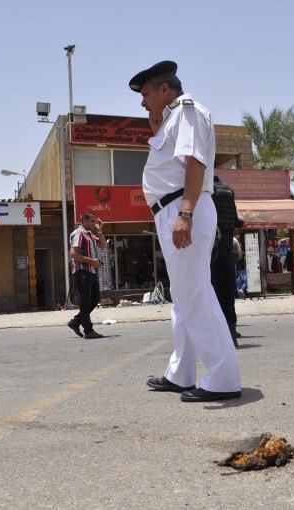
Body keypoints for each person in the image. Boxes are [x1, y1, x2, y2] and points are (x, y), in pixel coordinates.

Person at [129, 60, 241, 402]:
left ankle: (223, 377)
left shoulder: (188, 111)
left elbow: (195, 162)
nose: (143, 102)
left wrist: (186, 212)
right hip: (173, 209)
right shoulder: (171, 119)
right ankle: (181, 373)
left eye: (147, 94)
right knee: (184, 297)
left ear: (166, 90)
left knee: (195, 295)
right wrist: (156, 126)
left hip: (183, 207)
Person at [210, 176, 243, 347]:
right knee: (228, 292)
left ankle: (215, 337)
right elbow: (238, 221)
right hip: (228, 247)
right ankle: (231, 334)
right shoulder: (228, 190)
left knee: (211, 291)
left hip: (212, 246)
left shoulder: (207, 191)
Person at [67, 212, 106, 339]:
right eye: (92, 221)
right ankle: (88, 330)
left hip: (92, 271)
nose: (94, 223)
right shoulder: (79, 233)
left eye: (95, 221)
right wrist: (92, 261)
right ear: (84, 221)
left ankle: (76, 321)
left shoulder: (90, 234)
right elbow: (73, 254)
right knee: (85, 301)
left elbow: (103, 245)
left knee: (94, 300)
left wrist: (99, 231)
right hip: (83, 272)